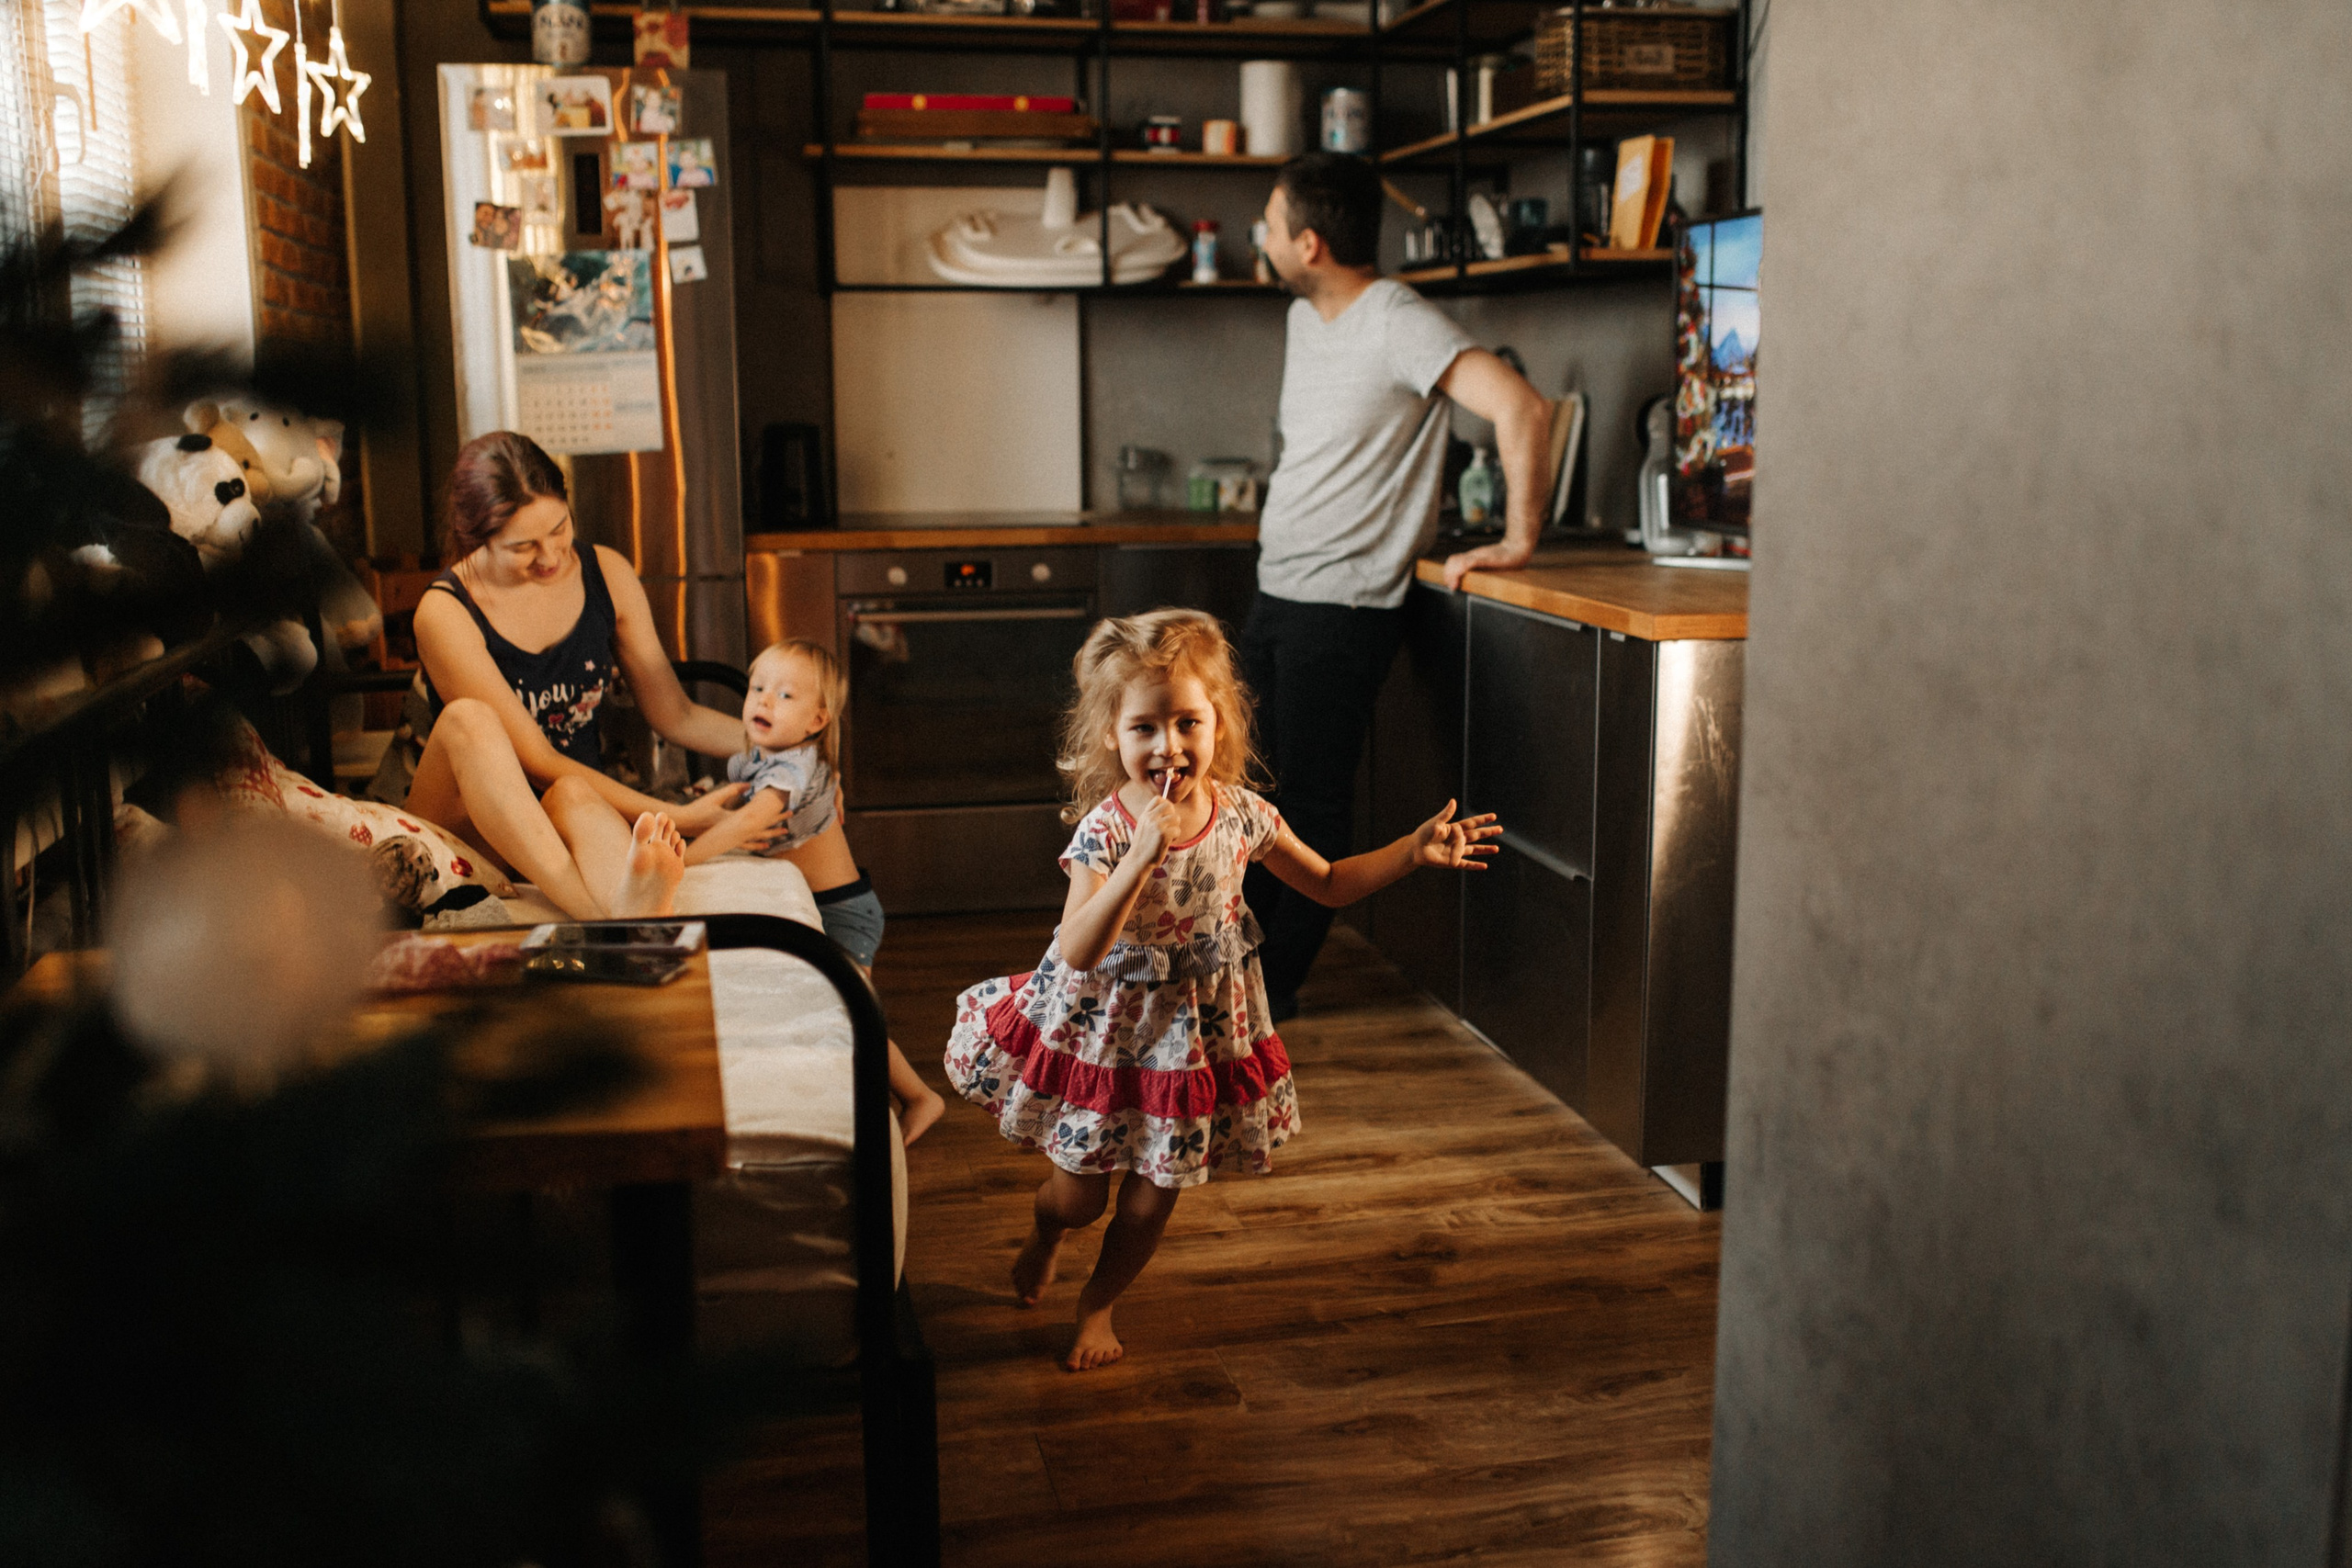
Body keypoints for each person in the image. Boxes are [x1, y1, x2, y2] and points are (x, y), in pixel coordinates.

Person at [941, 611, 1499, 1371]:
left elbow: (1329, 882)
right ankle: (1045, 1235)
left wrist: (1410, 852)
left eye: (1187, 722)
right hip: (1099, 1029)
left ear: (1218, 724)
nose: (1168, 745)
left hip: (1190, 1038)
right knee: (1079, 1198)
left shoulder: (1242, 813)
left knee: (1149, 1198)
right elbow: (1077, 946)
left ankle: (1098, 1302)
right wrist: (1142, 854)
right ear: (1111, 735)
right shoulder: (1107, 832)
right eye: (1144, 727)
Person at [1244, 152, 1554, 1021]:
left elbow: (1521, 407)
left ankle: (1274, 991)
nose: (1261, 238)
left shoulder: (1397, 319)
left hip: (1342, 605)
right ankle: (1240, 974)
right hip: (1279, 587)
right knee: (1251, 794)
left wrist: (1517, 539)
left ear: (1308, 242)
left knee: (1306, 801)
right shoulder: (1310, 319)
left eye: (1269, 225)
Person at [404, 431, 761, 920]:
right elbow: (535, 759)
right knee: (470, 719)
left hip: (565, 810)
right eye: (523, 546)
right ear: (477, 540)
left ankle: (632, 917)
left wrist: (784, 745)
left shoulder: (606, 573)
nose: (550, 557)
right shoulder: (444, 611)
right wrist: (679, 817)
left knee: (574, 792)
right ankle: (596, 920)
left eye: (559, 528)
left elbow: (675, 714)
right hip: (468, 826)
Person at [692, 637, 947, 1144]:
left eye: (785, 696)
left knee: (853, 1015)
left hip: (843, 911)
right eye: (758, 688)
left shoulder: (793, 768)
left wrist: (678, 859)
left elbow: (747, 823)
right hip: (825, 904)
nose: (764, 701)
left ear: (816, 722)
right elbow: (734, 807)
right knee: (837, 1010)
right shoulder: (765, 756)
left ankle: (920, 1097)